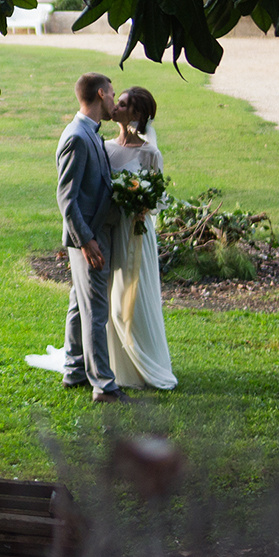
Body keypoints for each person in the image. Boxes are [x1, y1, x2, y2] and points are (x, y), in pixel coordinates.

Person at [47, 72, 125, 403]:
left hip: (92, 234)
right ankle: (104, 386)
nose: (114, 100)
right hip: (89, 239)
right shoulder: (78, 136)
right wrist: (85, 240)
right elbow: (66, 197)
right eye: (112, 94)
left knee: (79, 305)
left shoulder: (88, 132)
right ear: (100, 93)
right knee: (96, 310)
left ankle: (75, 370)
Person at [103, 87, 176, 390]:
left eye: (121, 105)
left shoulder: (149, 153)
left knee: (135, 294)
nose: (115, 108)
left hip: (135, 233)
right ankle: (113, 363)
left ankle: (144, 359)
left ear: (135, 114)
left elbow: (159, 200)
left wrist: (140, 203)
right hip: (110, 232)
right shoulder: (104, 147)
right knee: (110, 296)